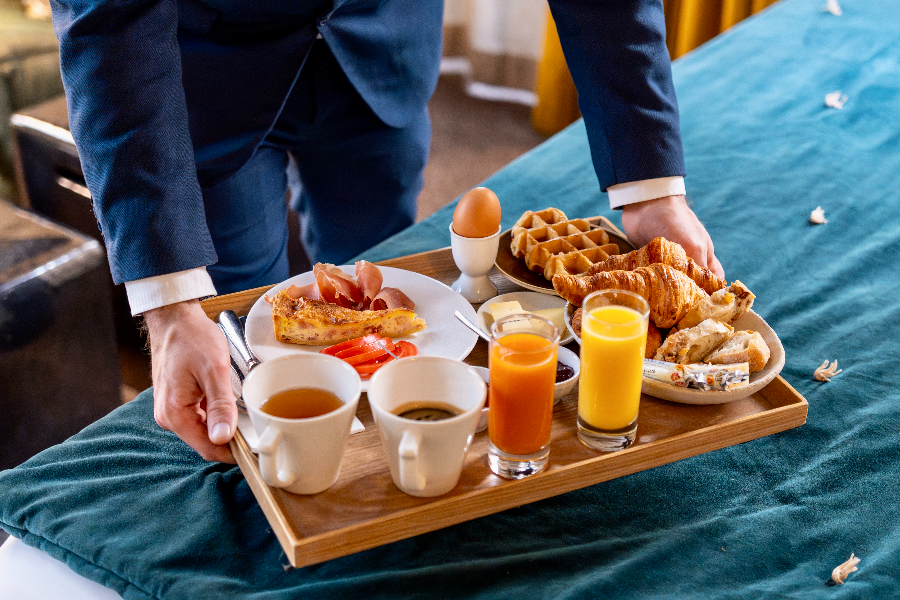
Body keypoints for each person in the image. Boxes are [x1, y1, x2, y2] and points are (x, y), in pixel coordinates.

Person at [50, 0, 723, 463]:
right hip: (201, 66)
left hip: (381, 47)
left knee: (404, 309)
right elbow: (107, 21)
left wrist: (649, 187)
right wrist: (170, 305)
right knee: (246, 367)